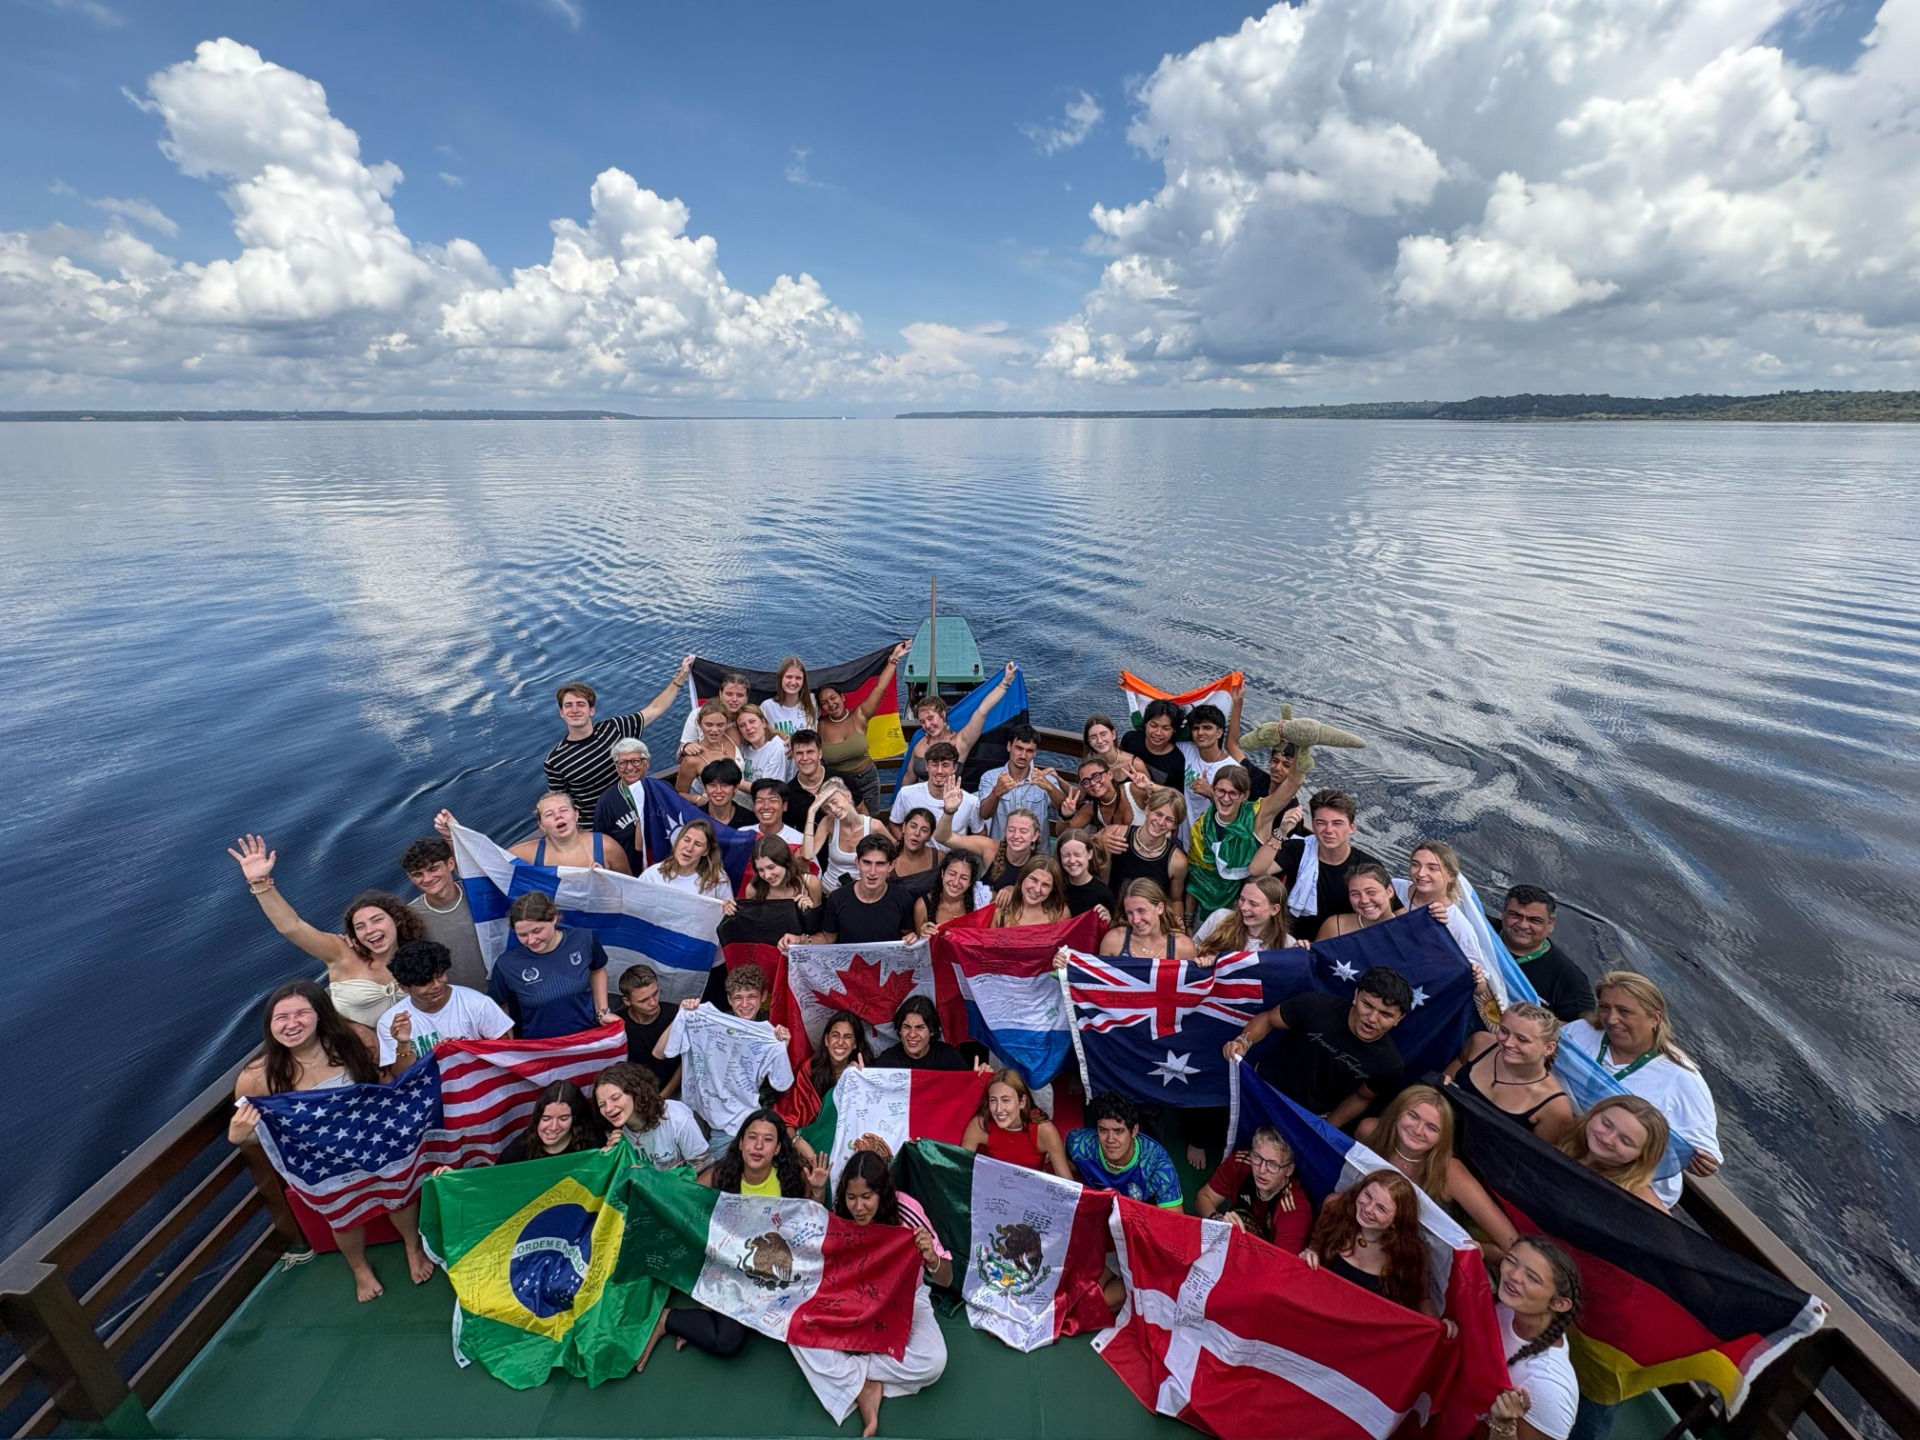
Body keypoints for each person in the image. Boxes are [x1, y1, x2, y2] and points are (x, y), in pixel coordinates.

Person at [228, 981, 429, 1301]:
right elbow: (256, 1131)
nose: (291, 1023)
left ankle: (412, 1246)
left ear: (321, 1014)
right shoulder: (256, 1077)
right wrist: (238, 1137)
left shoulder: (356, 1040)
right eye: (281, 1017)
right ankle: (359, 1268)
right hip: (321, 1161)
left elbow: (389, 1087)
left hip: (373, 1141)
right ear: (269, 1025)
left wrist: (403, 1045)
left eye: (301, 1013)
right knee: (343, 1218)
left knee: (399, 1196)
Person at [638, 1110, 829, 1374]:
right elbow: (683, 1204)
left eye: (768, 1140)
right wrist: (643, 1179)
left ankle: (704, 1312)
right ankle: (668, 1318)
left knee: (812, 1313)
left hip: (766, 1271)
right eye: (752, 1137)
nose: (758, 1146)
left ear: (777, 1149)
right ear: (740, 1143)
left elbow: (812, 1224)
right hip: (725, 1266)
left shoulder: (791, 1179)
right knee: (727, 1341)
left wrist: (818, 1190)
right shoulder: (719, 1175)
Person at [791, 1150, 951, 1435]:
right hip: (852, 1294)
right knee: (794, 1326)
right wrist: (816, 1193)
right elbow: (813, 1241)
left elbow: (947, 1279)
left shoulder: (907, 1211)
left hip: (905, 1299)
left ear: (882, 1192)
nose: (859, 1207)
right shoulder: (842, 1208)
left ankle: (852, 1380)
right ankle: (865, 1385)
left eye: (867, 1197)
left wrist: (931, 1257)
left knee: (934, 1362)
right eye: (852, 1197)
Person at [1561, 972, 1721, 1205]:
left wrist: (1703, 1162)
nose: (1611, 1019)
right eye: (1604, 1007)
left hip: (1624, 1187)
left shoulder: (1682, 1079)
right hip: (1571, 1150)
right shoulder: (1580, 1032)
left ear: (1655, 1018)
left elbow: (1707, 1154)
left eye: (1624, 1011)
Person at [227, 835, 410, 1031]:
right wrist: (259, 882)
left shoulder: (416, 953)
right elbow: (292, 926)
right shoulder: (341, 953)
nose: (370, 930)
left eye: (377, 920)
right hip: (359, 1045)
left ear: (396, 919)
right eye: (360, 927)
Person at [1226, 966, 1411, 1129]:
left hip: (1309, 1117)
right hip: (1261, 1087)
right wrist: (1243, 1042)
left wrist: (1326, 1128)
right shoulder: (1315, 1005)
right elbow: (1268, 1019)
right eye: (1368, 1005)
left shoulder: (1390, 1063)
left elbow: (1362, 1097)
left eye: (1385, 1014)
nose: (1372, 1018)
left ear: (1399, 1019)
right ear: (1356, 996)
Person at [1353, 1086, 1521, 1253]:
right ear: (1397, 1111)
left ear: (1442, 1137)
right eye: (1413, 1116)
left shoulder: (1450, 1172)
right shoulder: (1369, 1132)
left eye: (1431, 1128)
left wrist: (1464, 1252)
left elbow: (1512, 1246)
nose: (1418, 1130)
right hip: (1360, 1235)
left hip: (1416, 1255)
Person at [657, 965, 795, 1147]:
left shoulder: (771, 1029)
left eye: (751, 997)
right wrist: (682, 1014)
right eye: (738, 998)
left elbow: (781, 1083)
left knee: (719, 1160)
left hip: (742, 1116)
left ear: (763, 997)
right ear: (729, 999)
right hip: (701, 1105)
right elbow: (660, 1053)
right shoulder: (711, 1023)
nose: (745, 1004)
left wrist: (782, 1048)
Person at [544, 660, 693, 813]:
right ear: (561, 712)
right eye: (568, 705)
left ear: (591, 710)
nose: (575, 710)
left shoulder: (615, 728)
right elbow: (559, 804)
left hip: (635, 810)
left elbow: (655, 709)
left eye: (581, 704)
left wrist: (682, 675)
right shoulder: (555, 761)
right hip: (595, 822)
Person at [1301, 1171, 1444, 1324]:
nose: (1368, 1209)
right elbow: (1314, 1247)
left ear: (1397, 1221)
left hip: (1365, 1331)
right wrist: (1309, 1254)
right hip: (1317, 1316)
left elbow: (1421, 1299)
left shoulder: (1411, 1253)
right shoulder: (1335, 1208)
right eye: (1368, 1195)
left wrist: (1440, 1328)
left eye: (1381, 1208)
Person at [1487, 1239, 1584, 1440]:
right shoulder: (1505, 1306)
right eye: (1511, 1261)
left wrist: (1503, 1426)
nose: (1514, 1275)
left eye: (1532, 1277)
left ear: (1559, 1304)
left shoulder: (1551, 1386)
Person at [375, 939, 513, 1078]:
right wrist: (403, 1043)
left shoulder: (478, 1004)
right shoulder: (390, 1023)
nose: (436, 985)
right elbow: (403, 1078)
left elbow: (506, 1054)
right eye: (425, 981)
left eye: (439, 975)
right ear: (404, 987)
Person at [487, 892, 613, 1039]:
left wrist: (602, 1011)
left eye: (537, 931)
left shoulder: (583, 939)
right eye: (522, 935)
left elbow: (597, 971)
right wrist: (508, 1042)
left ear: (554, 918)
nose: (531, 940)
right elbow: (497, 1006)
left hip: (588, 1038)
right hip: (539, 1046)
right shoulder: (507, 964)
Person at [1445, 1002, 1575, 1143]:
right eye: (1504, 1031)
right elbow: (1441, 1084)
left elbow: (1534, 1155)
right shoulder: (1480, 1043)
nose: (1507, 1043)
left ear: (1548, 1048)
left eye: (1521, 1039)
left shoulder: (1555, 1108)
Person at [815, 641, 911, 814]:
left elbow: (879, 688)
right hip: (838, 784)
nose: (831, 704)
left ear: (842, 697)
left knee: (869, 824)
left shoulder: (859, 716)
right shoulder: (819, 726)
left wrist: (893, 659)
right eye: (824, 702)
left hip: (867, 781)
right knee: (843, 825)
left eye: (833, 698)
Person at [1275, 790, 1385, 942]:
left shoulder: (1369, 867)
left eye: (1337, 823)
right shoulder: (1298, 849)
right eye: (1321, 823)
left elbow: (1394, 913)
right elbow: (1257, 869)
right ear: (1313, 825)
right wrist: (1281, 832)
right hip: (1291, 939)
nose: (1328, 830)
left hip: (1338, 944)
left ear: (1352, 827)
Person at [786, 834, 918, 946]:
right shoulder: (837, 899)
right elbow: (827, 938)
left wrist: (913, 937)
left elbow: (906, 935)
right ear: (857, 862)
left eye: (880, 864)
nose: (872, 872)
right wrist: (800, 940)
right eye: (866, 863)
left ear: (891, 865)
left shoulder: (903, 898)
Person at [1196, 1125, 1313, 1250]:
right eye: (1257, 1157)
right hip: (1229, 1242)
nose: (1262, 1170)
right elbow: (1203, 1198)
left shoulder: (1295, 1210)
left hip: (1262, 1257)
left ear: (1289, 1170)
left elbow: (1278, 1260)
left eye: (1273, 1164)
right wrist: (1218, 1221)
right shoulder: (1240, 1162)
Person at [899, 662, 1018, 781]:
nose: (927, 725)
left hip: (950, 792)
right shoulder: (919, 742)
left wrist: (1005, 682)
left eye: (930, 718)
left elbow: (982, 711)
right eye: (922, 721)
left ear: (942, 714)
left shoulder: (960, 741)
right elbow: (909, 777)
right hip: (919, 793)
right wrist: (900, 794)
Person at [398, 835, 489, 992]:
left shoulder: (480, 893)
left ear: (450, 864)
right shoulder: (409, 918)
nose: (427, 879)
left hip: (510, 988)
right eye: (418, 874)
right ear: (410, 878)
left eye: (433, 869)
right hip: (459, 1000)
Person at [1494, 886, 1595, 1024]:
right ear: (1503, 912)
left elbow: (1581, 1029)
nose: (1523, 925)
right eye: (1515, 915)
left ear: (1551, 923)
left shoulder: (1569, 978)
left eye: (1534, 920)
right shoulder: (1477, 930)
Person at [1065, 1091, 1183, 1205]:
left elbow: (1172, 1217)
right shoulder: (1079, 1145)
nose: (1110, 1139)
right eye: (1103, 1130)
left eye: (1118, 1131)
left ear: (1134, 1130)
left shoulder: (1158, 1165)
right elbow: (1064, 1163)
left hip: (1140, 1215)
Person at [1182, 762, 1263, 926]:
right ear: (1213, 790)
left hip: (1240, 912)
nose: (1226, 798)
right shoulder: (1201, 828)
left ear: (1244, 796)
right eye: (1221, 791)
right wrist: (1188, 921)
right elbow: (1194, 878)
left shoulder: (1252, 819)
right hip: (1202, 913)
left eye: (1233, 793)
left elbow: (1290, 787)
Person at [1558, 1096, 1672, 1210]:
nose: (1607, 1139)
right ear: (1593, 1114)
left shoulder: (1636, 1201)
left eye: (1625, 1141)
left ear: (1642, 1156)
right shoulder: (1558, 1132)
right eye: (1606, 1124)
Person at [593, 1062, 709, 1171]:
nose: (608, 1109)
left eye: (615, 1098)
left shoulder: (676, 1117)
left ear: (636, 1092)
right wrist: (611, 1159)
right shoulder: (614, 1135)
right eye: (602, 1105)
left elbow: (703, 1168)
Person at [960, 1070, 1073, 1177]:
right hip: (991, 1184)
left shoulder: (1043, 1130)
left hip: (1030, 1186)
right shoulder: (980, 1125)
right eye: (993, 1100)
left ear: (1022, 1102)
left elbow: (1067, 1183)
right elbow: (960, 1171)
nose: (999, 1109)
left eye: (1006, 1100)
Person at [976, 725, 1070, 843]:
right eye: (1019, 748)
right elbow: (984, 814)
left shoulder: (1046, 780)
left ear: (1035, 753)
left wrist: (1050, 788)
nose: (1023, 756)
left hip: (1036, 851)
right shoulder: (990, 777)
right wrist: (996, 793)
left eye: (1029, 751)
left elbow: (1064, 809)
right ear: (1009, 746)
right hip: (1001, 849)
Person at [721, 835, 824, 942]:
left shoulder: (810, 884)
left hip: (799, 950)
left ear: (786, 861)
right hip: (767, 950)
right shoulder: (753, 889)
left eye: (771, 867)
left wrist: (811, 912)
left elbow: (820, 934)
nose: (767, 875)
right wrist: (733, 911)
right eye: (761, 870)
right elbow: (752, 930)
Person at [1173, 696, 1248, 838]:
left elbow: (1240, 816)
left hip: (1208, 842)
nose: (1200, 733)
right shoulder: (1186, 749)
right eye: (1196, 728)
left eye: (1207, 728)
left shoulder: (1233, 769)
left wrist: (1211, 794)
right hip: (1182, 838)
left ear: (1219, 732)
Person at [1105, 787, 1189, 911]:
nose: (1161, 822)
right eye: (1158, 814)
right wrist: (1099, 839)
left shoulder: (1177, 862)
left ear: (1175, 825)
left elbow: (1176, 900)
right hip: (1111, 912)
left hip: (1149, 919)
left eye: (1169, 819)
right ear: (1148, 809)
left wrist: (1178, 921)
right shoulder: (1116, 835)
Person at [888, 741, 983, 847]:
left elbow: (980, 834)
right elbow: (895, 824)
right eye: (934, 764)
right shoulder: (906, 794)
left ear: (955, 768)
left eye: (945, 765)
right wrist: (908, 847)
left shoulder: (970, 801)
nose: (939, 771)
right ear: (926, 766)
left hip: (951, 856)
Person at [1059, 755, 1146, 861]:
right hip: (1124, 860)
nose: (1092, 783)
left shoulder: (1133, 790)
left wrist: (1149, 787)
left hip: (1150, 853)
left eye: (1096, 776)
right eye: (1086, 781)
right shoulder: (1092, 808)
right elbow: (1062, 833)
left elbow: (1165, 798)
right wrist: (1065, 815)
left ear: (1110, 774)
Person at [806, 778, 886, 891]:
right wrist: (811, 812)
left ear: (848, 796)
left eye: (834, 802)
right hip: (829, 889)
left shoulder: (874, 826)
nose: (833, 810)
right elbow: (808, 855)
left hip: (863, 891)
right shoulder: (828, 822)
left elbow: (896, 854)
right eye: (826, 808)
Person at [499, 1081, 606, 1163]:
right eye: (546, 1119)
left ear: (574, 1119)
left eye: (563, 1119)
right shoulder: (516, 1152)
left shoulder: (593, 1144)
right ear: (537, 1118)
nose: (553, 1127)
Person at [616, 965, 681, 1096]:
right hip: (631, 1093)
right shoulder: (618, 1025)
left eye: (655, 993)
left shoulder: (676, 1015)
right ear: (627, 1001)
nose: (653, 1002)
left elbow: (686, 1062)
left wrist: (663, 1096)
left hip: (674, 1092)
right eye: (643, 1000)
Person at [1097, 879, 1197, 961]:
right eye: (1129, 913)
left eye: (1141, 911)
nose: (1135, 920)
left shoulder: (1183, 947)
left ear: (1160, 908)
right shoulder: (1114, 941)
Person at [592, 738, 655, 869]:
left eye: (636, 761)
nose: (630, 767)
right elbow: (601, 843)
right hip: (631, 871)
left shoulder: (662, 789)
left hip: (669, 864)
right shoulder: (606, 802)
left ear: (647, 763)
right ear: (616, 767)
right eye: (623, 763)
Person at [1193, 876, 1292, 958]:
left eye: (1253, 904)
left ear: (1274, 909)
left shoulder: (1288, 944)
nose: (1243, 907)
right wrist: (1203, 957)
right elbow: (1193, 950)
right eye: (1242, 899)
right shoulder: (1220, 918)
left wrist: (1300, 952)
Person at [873, 995, 975, 1071]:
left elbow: (968, 1089)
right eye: (906, 1027)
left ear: (932, 1030)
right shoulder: (887, 1061)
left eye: (919, 1028)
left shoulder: (949, 1058)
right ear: (899, 1029)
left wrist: (978, 1079)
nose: (912, 1034)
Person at [638, 817, 731, 897]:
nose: (689, 848)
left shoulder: (718, 880)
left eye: (698, 844)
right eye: (686, 840)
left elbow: (728, 911)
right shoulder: (653, 875)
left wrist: (728, 907)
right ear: (678, 841)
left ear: (706, 851)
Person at [1315, 862, 1402, 940]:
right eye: (1355, 894)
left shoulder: (1405, 929)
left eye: (1371, 892)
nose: (1364, 900)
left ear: (1389, 891)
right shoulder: (1335, 927)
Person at [913, 848, 991, 935]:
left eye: (964, 878)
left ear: (970, 882)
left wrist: (1005, 889)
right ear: (942, 873)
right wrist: (923, 936)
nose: (955, 883)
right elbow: (918, 941)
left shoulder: (980, 901)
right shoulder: (922, 906)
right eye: (952, 874)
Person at [676, 701, 746, 796]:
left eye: (720, 725)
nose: (714, 730)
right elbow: (679, 793)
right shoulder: (692, 760)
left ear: (727, 723)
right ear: (699, 724)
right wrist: (697, 799)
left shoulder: (732, 737)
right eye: (709, 725)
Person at [1119, 698, 1184, 791]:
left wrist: (1149, 786)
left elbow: (1177, 795)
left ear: (1174, 730)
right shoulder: (1130, 739)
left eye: (1166, 728)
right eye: (1153, 725)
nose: (1158, 733)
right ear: (1145, 723)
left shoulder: (1178, 762)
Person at [807, 1010, 875, 1099]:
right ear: (826, 1040)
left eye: (847, 1037)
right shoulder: (808, 1070)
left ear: (855, 1043)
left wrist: (860, 1081)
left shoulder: (868, 1072)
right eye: (835, 1035)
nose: (840, 1042)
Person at [677, 670, 753, 746]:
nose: (734, 699)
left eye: (740, 695)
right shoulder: (697, 714)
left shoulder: (753, 720)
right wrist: (686, 748)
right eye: (729, 694)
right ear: (720, 694)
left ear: (746, 698)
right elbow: (682, 750)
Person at [975, 808, 1045, 891]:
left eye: (1023, 831)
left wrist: (1013, 890)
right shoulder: (991, 848)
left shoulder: (1040, 864)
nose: (1016, 836)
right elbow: (959, 840)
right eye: (1011, 830)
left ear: (1035, 836)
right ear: (1005, 831)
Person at [1055, 828, 1116, 923]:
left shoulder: (1103, 894)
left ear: (1090, 854)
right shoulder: (1055, 887)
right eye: (1066, 855)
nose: (1072, 860)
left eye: (1077, 855)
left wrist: (1108, 921)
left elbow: (1114, 927)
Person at [991, 856, 1070, 927]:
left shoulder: (1060, 913)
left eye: (1045, 885)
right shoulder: (1001, 910)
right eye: (1033, 880)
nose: (1037, 890)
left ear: (1053, 889)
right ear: (1022, 878)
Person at [782, 728, 835, 830]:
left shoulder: (844, 780)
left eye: (810, 752)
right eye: (799, 753)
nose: (805, 758)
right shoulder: (787, 793)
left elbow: (860, 816)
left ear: (820, 753)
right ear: (793, 755)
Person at [760, 656, 817, 739]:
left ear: (803, 681)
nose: (793, 682)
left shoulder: (812, 702)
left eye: (798, 678)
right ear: (781, 679)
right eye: (789, 677)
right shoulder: (767, 707)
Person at [734, 706, 792, 785]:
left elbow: (768, 788)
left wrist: (734, 782)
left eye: (752, 721)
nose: (748, 727)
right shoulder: (744, 746)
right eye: (742, 725)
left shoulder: (777, 747)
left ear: (763, 722)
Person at [693, 758, 754, 830]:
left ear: (736, 788)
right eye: (712, 785)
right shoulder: (693, 817)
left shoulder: (751, 820)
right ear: (704, 788)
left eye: (725, 785)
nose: (718, 791)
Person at [746, 777, 804, 849]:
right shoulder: (743, 834)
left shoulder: (798, 840)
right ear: (754, 806)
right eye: (760, 801)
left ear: (784, 806)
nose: (766, 807)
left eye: (773, 801)